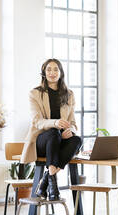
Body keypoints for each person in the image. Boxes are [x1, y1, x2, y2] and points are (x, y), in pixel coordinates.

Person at [20, 58, 82, 201]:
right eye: (49, 69)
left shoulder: (69, 94)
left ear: (61, 73)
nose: (52, 73)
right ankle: (53, 187)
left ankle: (47, 181)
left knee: (77, 139)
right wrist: (55, 123)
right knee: (53, 133)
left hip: (60, 141)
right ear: (44, 72)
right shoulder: (35, 93)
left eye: (56, 69)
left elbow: (72, 122)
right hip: (42, 141)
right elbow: (37, 121)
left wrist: (70, 131)